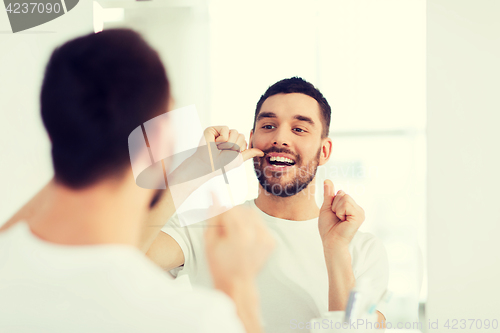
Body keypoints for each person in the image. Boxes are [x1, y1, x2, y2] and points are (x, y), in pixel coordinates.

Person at [0, 29, 274, 333]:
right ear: (158, 139)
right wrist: (238, 287)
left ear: (52, 127)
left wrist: (77, 135)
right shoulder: (191, 320)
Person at [146, 77, 390, 333]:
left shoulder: (362, 250)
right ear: (252, 140)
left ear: (325, 151)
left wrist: (336, 250)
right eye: (269, 125)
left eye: (299, 129)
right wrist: (193, 171)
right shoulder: (211, 227)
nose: (280, 138)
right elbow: (123, 251)